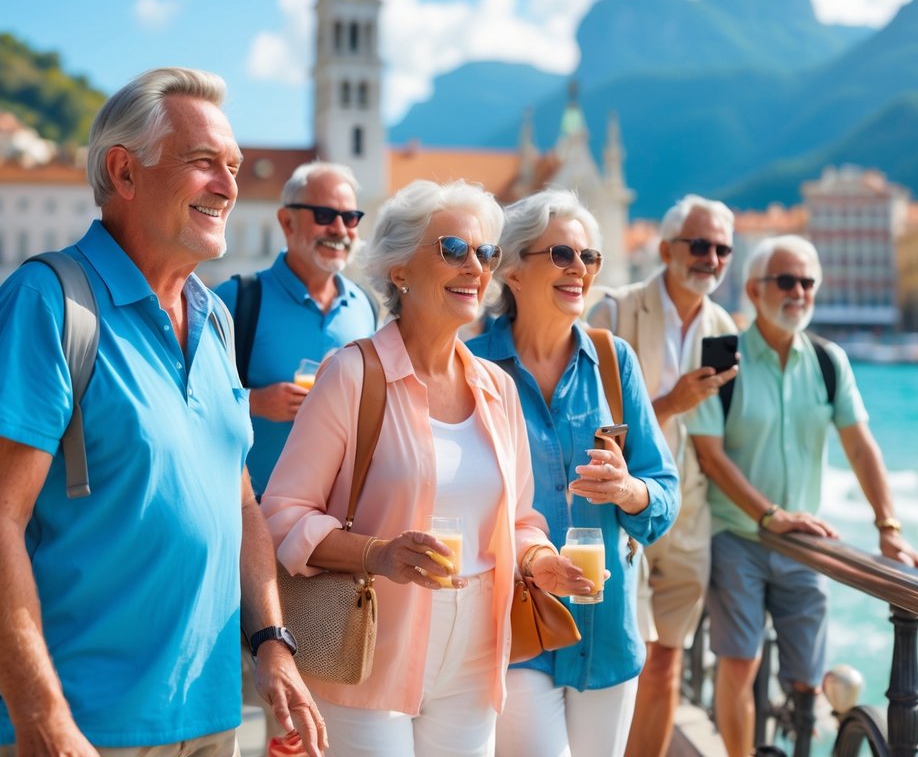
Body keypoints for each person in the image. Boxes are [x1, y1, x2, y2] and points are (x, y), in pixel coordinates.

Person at [0, 67, 325, 757]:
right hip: (87, 722)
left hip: (211, 717)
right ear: (123, 172)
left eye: (234, 167)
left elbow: (238, 505)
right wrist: (44, 718)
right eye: (203, 163)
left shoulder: (213, 321)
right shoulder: (49, 302)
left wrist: (272, 644)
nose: (228, 186)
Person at [262, 179, 593, 757]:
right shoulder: (352, 374)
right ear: (399, 270)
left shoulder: (497, 389)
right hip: (366, 649)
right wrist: (379, 554)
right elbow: (281, 516)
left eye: (486, 253)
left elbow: (520, 518)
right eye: (453, 250)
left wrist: (542, 562)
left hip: (476, 654)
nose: (475, 267)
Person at [688, 235, 918, 757]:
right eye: (786, 281)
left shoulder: (829, 361)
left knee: (808, 678)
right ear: (754, 290)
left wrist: (888, 529)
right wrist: (769, 515)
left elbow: (862, 448)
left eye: (807, 282)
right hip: (738, 534)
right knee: (739, 663)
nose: (799, 292)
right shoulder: (720, 356)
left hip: (805, 545)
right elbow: (709, 454)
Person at [468, 189, 680, 757]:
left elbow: (664, 491)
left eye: (589, 259)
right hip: (513, 624)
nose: (579, 271)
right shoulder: (470, 365)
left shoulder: (615, 362)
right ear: (511, 269)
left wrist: (631, 491)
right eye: (562, 255)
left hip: (605, 631)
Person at [588, 194, 739, 757]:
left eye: (722, 248)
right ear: (666, 249)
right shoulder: (613, 313)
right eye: (699, 245)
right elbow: (592, 428)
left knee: (668, 663)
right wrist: (671, 403)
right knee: (632, 660)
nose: (712, 258)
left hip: (691, 515)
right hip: (624, 514)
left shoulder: (725, 326)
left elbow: (724, 438)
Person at [214, 161, 378, 499]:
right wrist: (253, 402)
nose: (339, 229)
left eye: (350, 218)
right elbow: (186, 402)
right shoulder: (234, 300)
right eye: (323, 215)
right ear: (287, 222)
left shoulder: (366, 306)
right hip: (253, 514)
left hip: (337, 520)